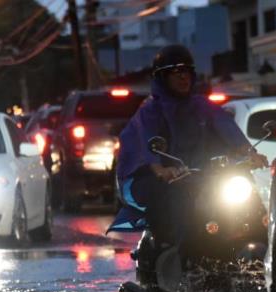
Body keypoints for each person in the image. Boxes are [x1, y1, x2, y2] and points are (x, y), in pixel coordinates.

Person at [110, 44, 267, 246]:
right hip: (168, 178)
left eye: (186, 71)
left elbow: (226, 127)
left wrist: (250, 153)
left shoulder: (201, 106)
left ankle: (262, 250)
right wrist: (161, 169)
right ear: (162, 78)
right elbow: (146, 142)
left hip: (207, 174)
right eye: (175, 72)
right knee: (177, 200)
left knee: (248, 195)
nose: (183, 77)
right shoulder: (151, 111)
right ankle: (177, 252)